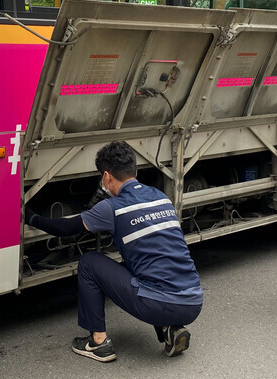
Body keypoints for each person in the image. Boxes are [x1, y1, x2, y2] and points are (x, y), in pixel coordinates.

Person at [25, 141, 203, 362]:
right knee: (147, 263)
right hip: (194, 302)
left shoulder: (111, 208)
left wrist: (30, 217)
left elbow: (66, 229)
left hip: (158, 304)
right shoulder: (160, 196)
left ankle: (98, 343)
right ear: (135, 172)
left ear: (107, 176)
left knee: (89, 262)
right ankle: (171, 328)